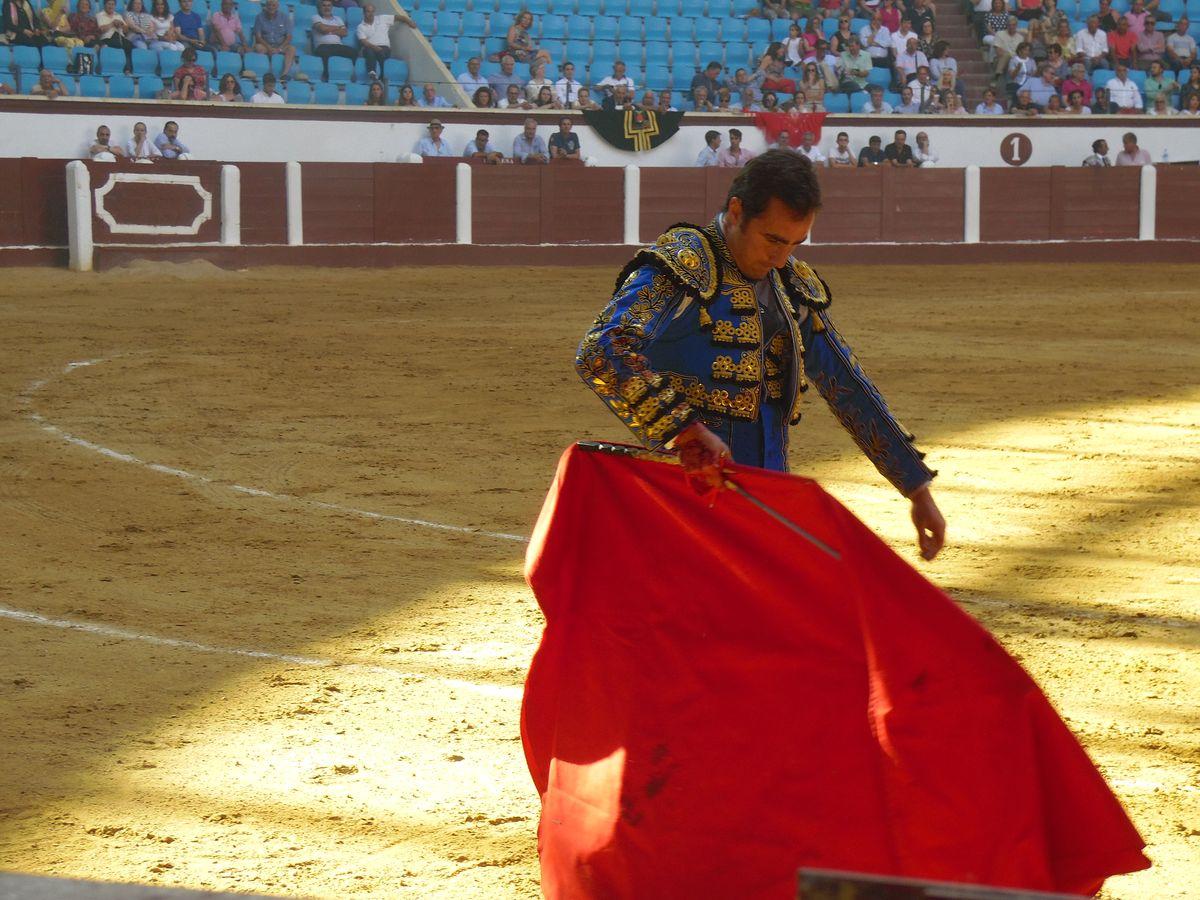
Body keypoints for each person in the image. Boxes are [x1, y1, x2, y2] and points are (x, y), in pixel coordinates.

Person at [575, 150, 945, 559]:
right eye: (772, 239)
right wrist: (685, 430)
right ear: (736, 211)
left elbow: (846, 385)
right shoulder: (684, 263)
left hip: (769, 483)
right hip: (690, 487)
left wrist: (915, 486)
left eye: (794, 243)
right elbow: (603, 348)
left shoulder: (791, 284)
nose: (781, 257)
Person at [252, 0, 297, 80]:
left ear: (277, 6)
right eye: (269, 5)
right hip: (265, 45)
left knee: (292, 49)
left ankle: (284, 74)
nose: (271, 7)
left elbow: (289, 37)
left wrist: (279, 49)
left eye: (273, 5)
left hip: (280, 46)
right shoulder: (259, 17)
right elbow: (258, 37)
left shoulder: (284, 17)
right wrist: (269, 47)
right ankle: (265, 73)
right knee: (258, 47)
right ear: (266, 6)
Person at [311, 0, 355, 79]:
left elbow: (345, 33)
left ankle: (352, 75)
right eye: (324, 5)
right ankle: (326, 76)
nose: (326, 8)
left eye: (329, 5)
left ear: (332, 7)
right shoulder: (315, 17)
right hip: (322, 46)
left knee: (354, 52)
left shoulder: (338, 19)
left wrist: (328, 28)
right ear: (320, 7)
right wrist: (338, 28)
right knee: (325, 52)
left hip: (337, 45)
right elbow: (322, 29)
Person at [356, 4, 393, 79]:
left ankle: (381, 76)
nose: (371, 14)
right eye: (368, 11)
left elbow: (398, 17)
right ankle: (372, 72)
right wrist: (375, 47)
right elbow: (363, 41)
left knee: (381, 52)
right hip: (370, 47)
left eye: (372, 11)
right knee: (369, 50)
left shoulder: (382, 18)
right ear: (364, 13)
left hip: (384, 48)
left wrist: (408, 21)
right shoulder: (360, 27)